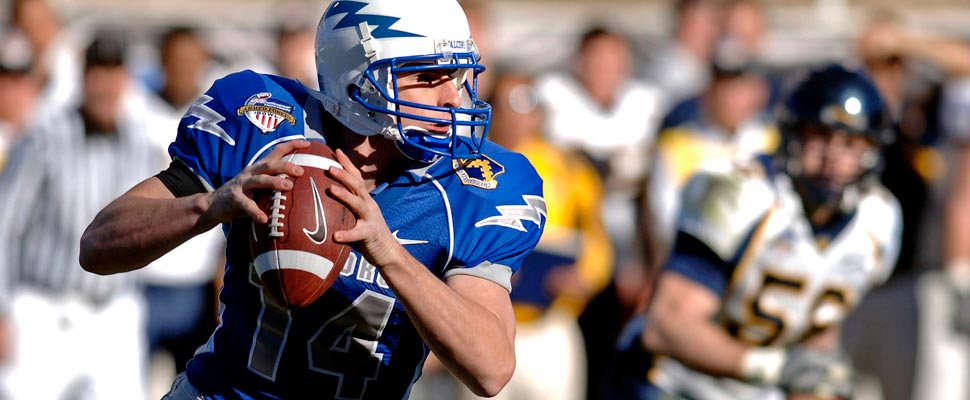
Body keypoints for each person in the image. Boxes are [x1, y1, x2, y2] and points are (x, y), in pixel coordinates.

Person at [79, 0, 546, 399]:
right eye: (427, 77)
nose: (453, 100)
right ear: (356, 80)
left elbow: (490, 369)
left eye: (460, 76)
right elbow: (98, 246)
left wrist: (388, 253)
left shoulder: (478, 185)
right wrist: (210, 205)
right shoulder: (263, 122)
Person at [607, 64, 902, 400]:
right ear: (792, 135)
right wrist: (770, 368)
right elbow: (667, 325)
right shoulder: (741, 192)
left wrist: (813, 379)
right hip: (670, 383)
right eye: (820, 137)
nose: (833, 156)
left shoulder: (879, 220)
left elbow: (818, 325)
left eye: (851, 143)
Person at [0, 31, 156, 400]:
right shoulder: (44, 138)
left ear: (125, 80)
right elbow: (4, 225)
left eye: (113, 74)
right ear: (83, 79)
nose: (105, 86)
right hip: (45, 311)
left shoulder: (138, 141)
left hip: (115, 313)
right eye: (96, 74)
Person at [469, 72, 613, 400]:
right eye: (508, 106)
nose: (518, 117)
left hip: (550, 323)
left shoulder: (569, 169)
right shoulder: (467, 165)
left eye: (526, 105)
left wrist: (584, 277)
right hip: (484, 320)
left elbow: (598, 242)